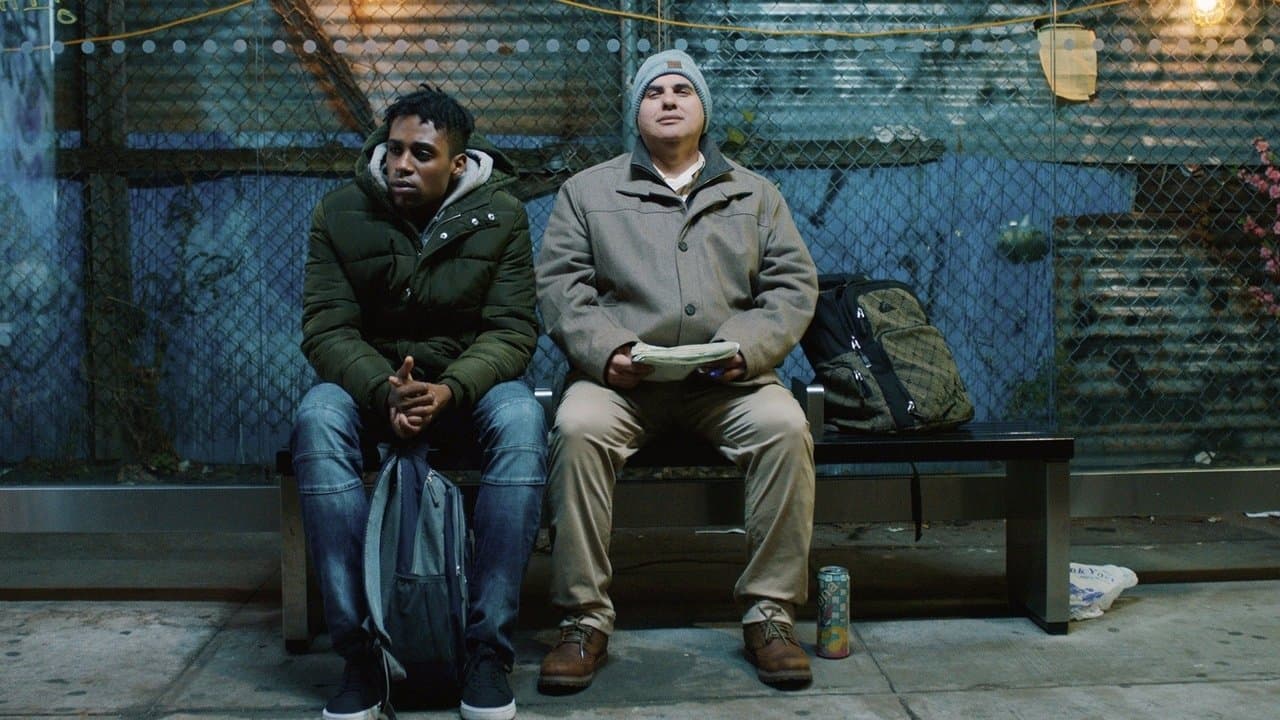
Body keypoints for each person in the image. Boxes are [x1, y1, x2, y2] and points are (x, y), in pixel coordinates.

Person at [534, 50, 819, 690]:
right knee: (577, 429)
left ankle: (770, 615)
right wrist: (607, 350)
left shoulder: (754, 193)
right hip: (623, 385)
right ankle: (583, 619)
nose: (667, 100)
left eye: (682, 91)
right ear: (637, 113)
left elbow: (792, 287)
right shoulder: (587, 192)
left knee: (784, 428)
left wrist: (744, 348)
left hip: (727, 383)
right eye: (653, 92)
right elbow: (561, 287)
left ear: (703, 110)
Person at [291, 84, 545, 720]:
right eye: (394, 149)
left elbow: (512, 330)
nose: (401, 164)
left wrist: (450, 388)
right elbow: (326, 328)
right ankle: (361, 655)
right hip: (372, 386)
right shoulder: (339, 212)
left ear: (456, 165)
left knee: (523, 417)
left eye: (421, 154)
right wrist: (385, 389)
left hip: (464, 387)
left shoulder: (502, 215)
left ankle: (487, 651)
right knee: (316, 418)